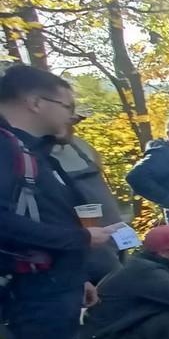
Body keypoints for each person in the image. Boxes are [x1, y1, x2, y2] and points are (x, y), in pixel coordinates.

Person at [0, 64, 125, 339]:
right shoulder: (5, 148)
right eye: (67, 106)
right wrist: (79, 238)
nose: (72, 116)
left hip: (56, 281)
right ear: (34, 102)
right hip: (28, 287)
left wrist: (77, 278)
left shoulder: (36, 151)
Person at [53, 120, 126, 283]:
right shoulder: (35, 155)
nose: (68, 124)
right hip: (87, 241)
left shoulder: (82, 146)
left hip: (115, 232)